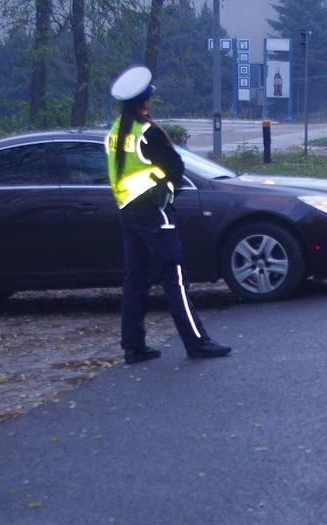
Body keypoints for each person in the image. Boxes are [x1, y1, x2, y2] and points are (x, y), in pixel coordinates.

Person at [105, 65, 231, 364]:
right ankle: (197, 342)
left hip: (128, 213)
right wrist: (169, 191)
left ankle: (133, 345)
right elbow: (176, 167)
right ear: (145, 102)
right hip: (155, 212)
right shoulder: (148, 133)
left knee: (135, 279)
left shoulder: (115, 133)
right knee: (174, 277)